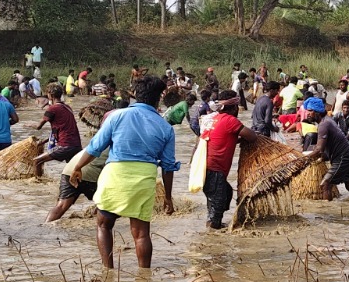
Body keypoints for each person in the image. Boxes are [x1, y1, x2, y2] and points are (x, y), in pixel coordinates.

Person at [69, 76, 177, 269]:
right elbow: (168, 167)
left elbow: (94, 148)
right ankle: (144, 277)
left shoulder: (117, 116)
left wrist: (77, 167)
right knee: (141, 233)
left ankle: (108, 271)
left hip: (116, 173)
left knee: (103, 224)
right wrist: (168, 197)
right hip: (145, 177)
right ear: (158, 99)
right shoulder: (165, 127)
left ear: (135, 95)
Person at [200, 90, 260, 229]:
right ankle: (212, 238)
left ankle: (215, 227)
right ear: (234, 107)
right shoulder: (230, 120)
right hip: (215, 170)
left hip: (206, 168)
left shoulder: (214, 118)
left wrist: (235, 140)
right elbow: (252, 136)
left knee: (224, 195)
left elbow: (221, 137)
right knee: (217, 206)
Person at [302, 96, 349, 200]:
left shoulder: (323, 125)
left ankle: (328, 213)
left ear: (317, 112)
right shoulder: (327, 120)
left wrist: (304, 159)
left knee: (325, 184)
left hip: (343, 156)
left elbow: (319, 150)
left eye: (310, 111)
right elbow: (326, 147)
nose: (308, 114)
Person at [32, 85, 82, 176]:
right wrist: (46, 140)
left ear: (51, 95)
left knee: (37, 161)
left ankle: (38, 184)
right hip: (76, 145)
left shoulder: (52, 108)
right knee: (73, 171)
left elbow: (38, 126)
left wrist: (28, 125)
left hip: (65, 145)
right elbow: (63, 128)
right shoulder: (67, 107)